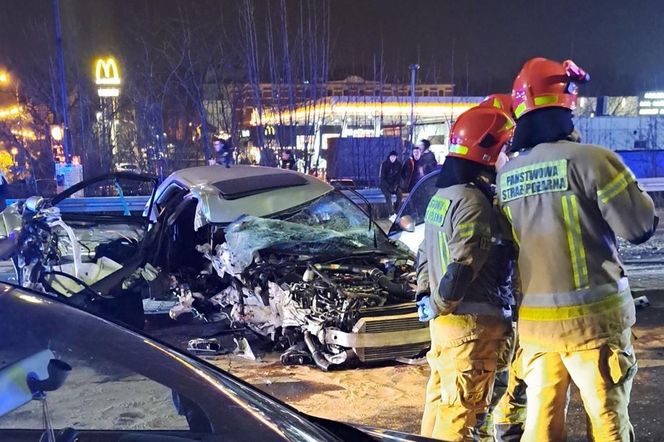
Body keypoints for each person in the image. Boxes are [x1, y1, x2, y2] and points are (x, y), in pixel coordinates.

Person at [496, 57, 658, 441]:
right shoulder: (593, 161)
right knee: (606, 423)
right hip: (595, 326)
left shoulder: (507, 176)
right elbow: (639, 228)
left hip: (536, 330)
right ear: (567, 102)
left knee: (541, 424)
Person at [416, 106, 516, 441]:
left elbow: (423, 254)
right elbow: (463, 263)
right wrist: (442, 302)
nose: (509, 156)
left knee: (441, 407)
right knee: (462, 417)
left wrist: (427, 299)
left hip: (447, 327)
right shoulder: (474, 202)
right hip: (472, 327)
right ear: (489, 153)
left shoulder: (442, 196)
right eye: (506, 149)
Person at [379, 151, 403, 215]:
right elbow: (382, 178)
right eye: (391, 157)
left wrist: (394, 186)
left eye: (394, 157)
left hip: (394, 185)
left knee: (400, 194)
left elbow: (398, 177)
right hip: (385, 185)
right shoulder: (384, 164)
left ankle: (396, 210)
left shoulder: (399, 165)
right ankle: (391, 213)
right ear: (389, 157)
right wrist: (388, 187)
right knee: (388, 196)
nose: (393, 158)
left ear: (396, 157)